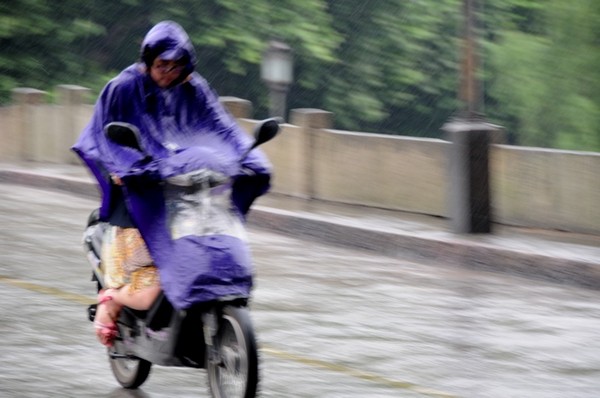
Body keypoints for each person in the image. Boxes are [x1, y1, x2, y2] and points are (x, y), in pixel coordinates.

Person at [72, 21, 271, 347]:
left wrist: (249, 158)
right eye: (161, 64)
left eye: (175, 65)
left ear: (186, 66)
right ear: (148, 62)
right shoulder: (123, 87)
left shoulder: (195, 88)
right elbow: (108, 136)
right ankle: (115, 300)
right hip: (135, 185)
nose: (168, 71)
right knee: (153, 286)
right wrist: (127, 166)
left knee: (208, 253)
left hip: (182, 186)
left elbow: (222, 128)